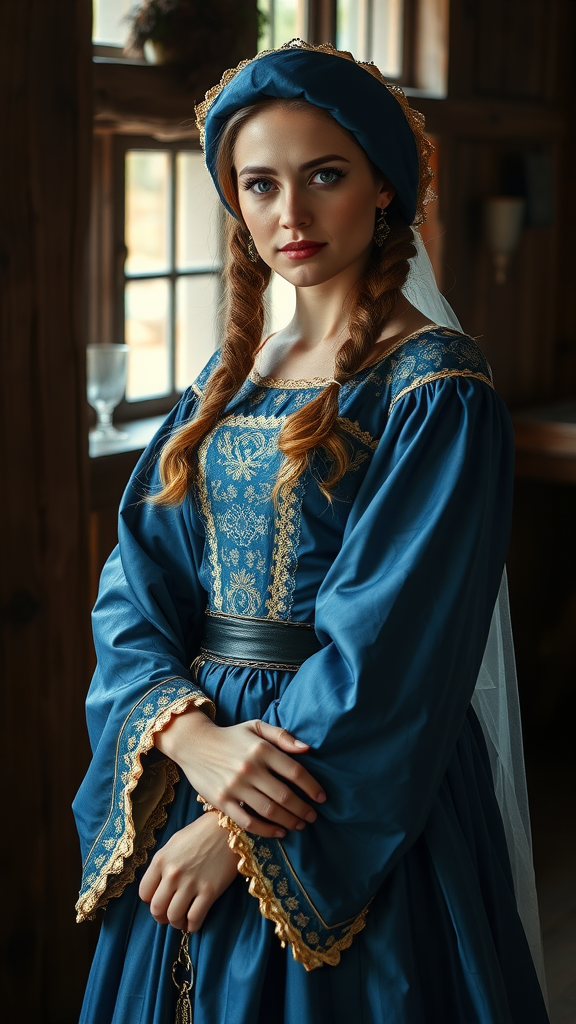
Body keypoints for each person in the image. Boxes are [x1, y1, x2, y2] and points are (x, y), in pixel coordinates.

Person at [73, 38, 550, 1024]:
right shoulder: (224, 380)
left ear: (384, 187)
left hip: (339, 781)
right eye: (259, 185)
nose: (289, 214)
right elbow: (137, 578)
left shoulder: (437, 391)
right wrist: (188, 735)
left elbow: (393, 654)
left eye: (323, 175)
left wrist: (233, 827)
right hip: (202, 751)